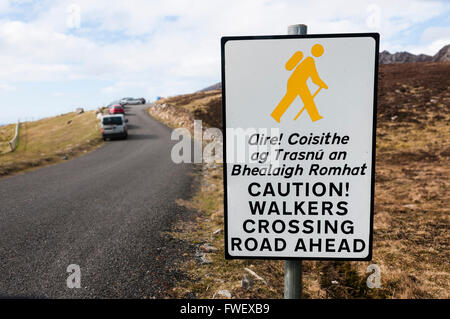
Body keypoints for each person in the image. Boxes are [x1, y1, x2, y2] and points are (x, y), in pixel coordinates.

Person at [271, 44, 328, 123]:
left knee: (306, 99)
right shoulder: (310, 61)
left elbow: (314, 78)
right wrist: (323, 85)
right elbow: (314, 78)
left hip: (298, 82)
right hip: (296, 82)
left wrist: (322, 84)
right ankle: (276, 114)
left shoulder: (308, 59)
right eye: (320, 52)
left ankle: (315, 116)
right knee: (291, 98)